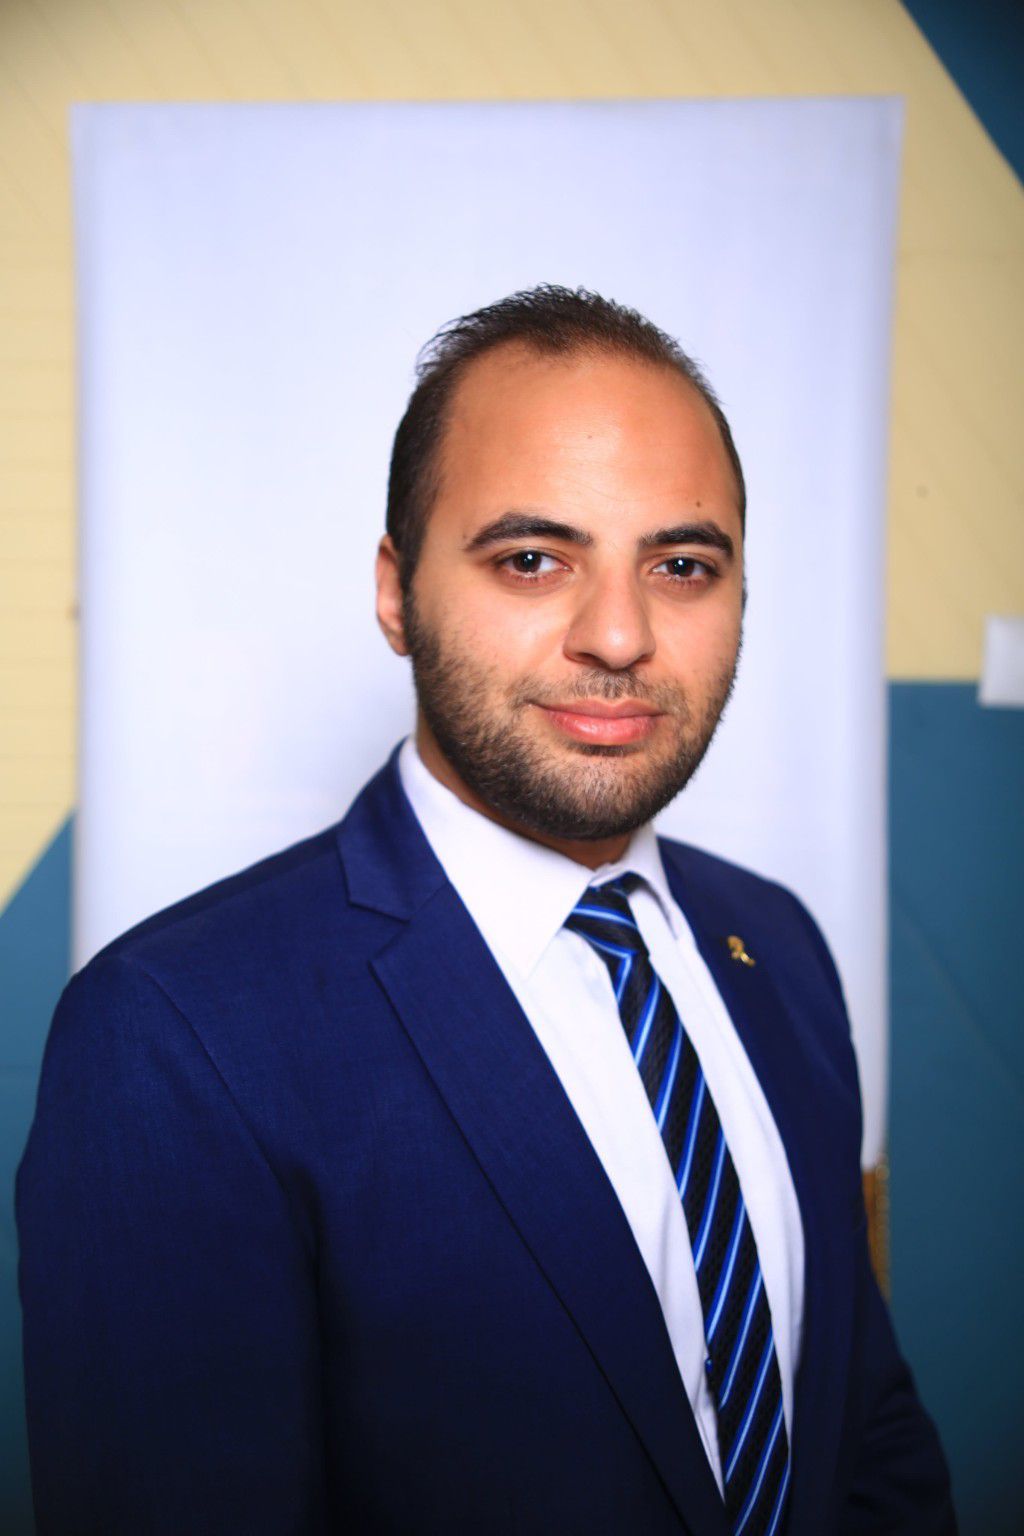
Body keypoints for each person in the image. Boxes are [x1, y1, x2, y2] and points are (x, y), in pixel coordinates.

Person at [17, 286, 955, 1535]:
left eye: (681, 566)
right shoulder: (176, 1033)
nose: (617, 635)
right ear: (396, 591)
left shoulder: (775, 946)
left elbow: (860, 1427)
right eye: (531, 559)